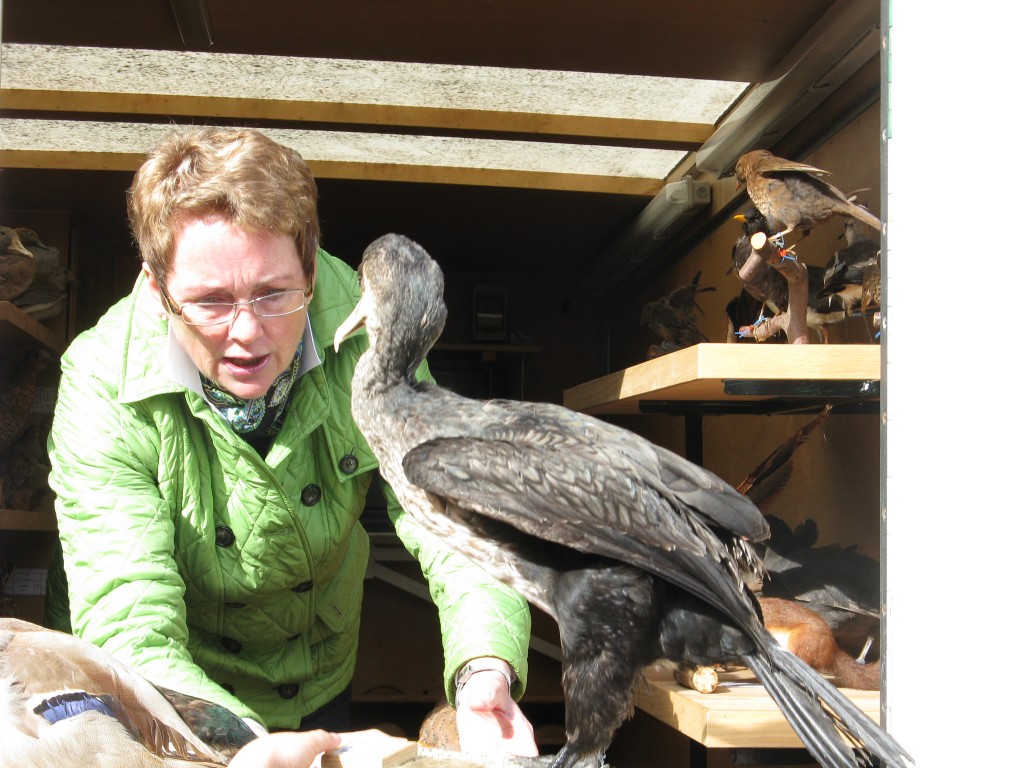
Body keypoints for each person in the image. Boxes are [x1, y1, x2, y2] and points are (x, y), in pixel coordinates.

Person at [45, 126, 538, 757]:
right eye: (210, 301)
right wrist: (244, 746)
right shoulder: (99, 383)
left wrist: (484, 669)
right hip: (166, 689)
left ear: (311, 267)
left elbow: (458, 524)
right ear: (155, 287)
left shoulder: (372, 339)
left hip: (316, 669)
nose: (246, 333)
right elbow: (127, 616)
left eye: (275, 294)